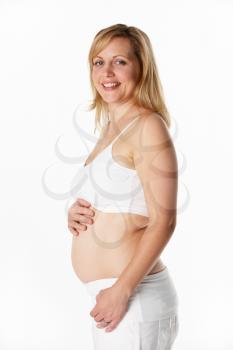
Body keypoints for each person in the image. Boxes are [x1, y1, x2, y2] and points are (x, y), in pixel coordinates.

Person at [68, 23, 179, 349]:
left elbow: (164, 221)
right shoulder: (112, 125)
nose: (107, 72)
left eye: (120, 61)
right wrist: (75, 213)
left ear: (141, 67)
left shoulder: (147, 126)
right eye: (98, 61)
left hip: (132, 299)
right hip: (113, 300)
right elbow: (121, 199)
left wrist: (122, 290)